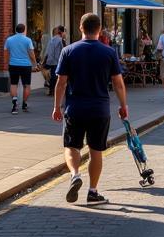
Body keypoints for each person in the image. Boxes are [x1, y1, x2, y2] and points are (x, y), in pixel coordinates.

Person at [53, 13, 127, 206]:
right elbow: (118, 83)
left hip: (74, 108)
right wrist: (123, 106)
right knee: (96, 150)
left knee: (71, 146)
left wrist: (56, 107)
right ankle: (93, 192)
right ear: (100, 28)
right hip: (100, 108)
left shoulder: (68, 51)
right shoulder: (109, 52)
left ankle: (75, 174)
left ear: (80, 27)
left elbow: (61, 83)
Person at [4, 23, 37, 114]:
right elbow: (31, 53)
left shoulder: (9, 40)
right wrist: (35, 63)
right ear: (24, 30)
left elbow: (6, 53)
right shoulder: (28, 40)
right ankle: (24, 103)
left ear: (16, 30)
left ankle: (14, 103)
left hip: (13, 64)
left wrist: (7, 63)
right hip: (26, 65)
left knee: (13, 84)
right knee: (26, 85)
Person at [42, 26, 66, 95]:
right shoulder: (61, 40)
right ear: (61, 33)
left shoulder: (51, 40)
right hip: (58, 61)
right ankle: (55, 90)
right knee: (56, 76)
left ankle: (51, 90)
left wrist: (44, 61)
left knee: (53, 76)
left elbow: (47, 52)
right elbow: (64, 51)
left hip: (50, 60)